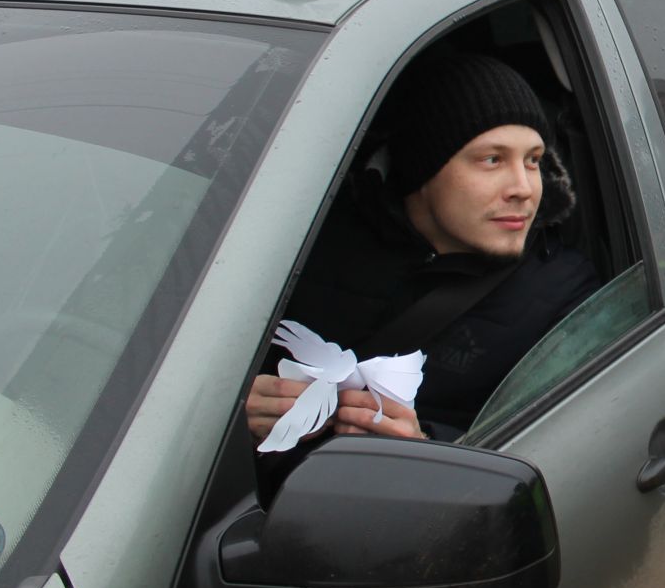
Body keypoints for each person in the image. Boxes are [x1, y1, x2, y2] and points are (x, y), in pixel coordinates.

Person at [244, 52, 597, 443]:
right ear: (424, 167)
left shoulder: (565, 294)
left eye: (533, 161)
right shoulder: (310, 244)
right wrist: (249, 407)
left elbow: (563, 451)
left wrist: (426, 446)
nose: (524, 188)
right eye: (492, 159)